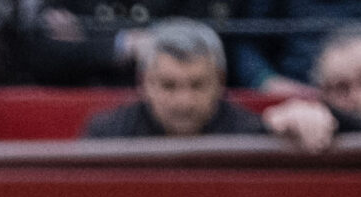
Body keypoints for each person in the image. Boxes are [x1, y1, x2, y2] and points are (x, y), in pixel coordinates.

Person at [25, 0, 240, 86]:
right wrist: (120, 45)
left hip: (180, 113)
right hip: (85, 101)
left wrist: (86, 41)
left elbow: (201, 52)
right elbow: (41, 55)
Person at [81, 18, 265, 137]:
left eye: (198, 85)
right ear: (144, 83)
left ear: (220, 82)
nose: (184, 102)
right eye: (168, 86)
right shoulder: (108, 135)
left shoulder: (252, 136)